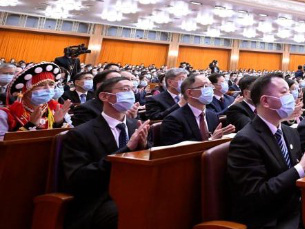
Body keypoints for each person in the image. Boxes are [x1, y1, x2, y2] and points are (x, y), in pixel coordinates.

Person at [227, 72, 305, 229]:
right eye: (284, 92)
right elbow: (256, 195)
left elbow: (295, 172)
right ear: (265, 101)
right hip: (271, 218)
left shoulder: (290, 132)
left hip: (297, 207)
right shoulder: (245, 140)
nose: (291, 97)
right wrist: (301, 167)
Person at [61, 76, 150, 229]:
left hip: (132, 189)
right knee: (128, 211)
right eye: (124, 89)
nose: (130, 94)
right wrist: (127, 149)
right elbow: (79, 178)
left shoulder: (136, 125)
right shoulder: (81, 133)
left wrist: (144, 146)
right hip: (98, 199)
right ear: (104, 96)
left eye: (132, 89)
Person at [0, 62, 72, 139]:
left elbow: (70, 139)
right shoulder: (6, 114)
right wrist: (30, 125)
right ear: (25, 90)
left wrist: (59, 122)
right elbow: (3, 143)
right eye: (41, 85)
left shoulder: (57, 109)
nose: (48, 89)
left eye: (51, 84)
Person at [160, 73, 234, 146]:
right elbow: (175, 151)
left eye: (210, 86)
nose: (210, 89)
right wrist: (210, 141)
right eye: (205, 86)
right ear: (190, 93)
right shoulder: (173, 120)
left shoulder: (212, 116)